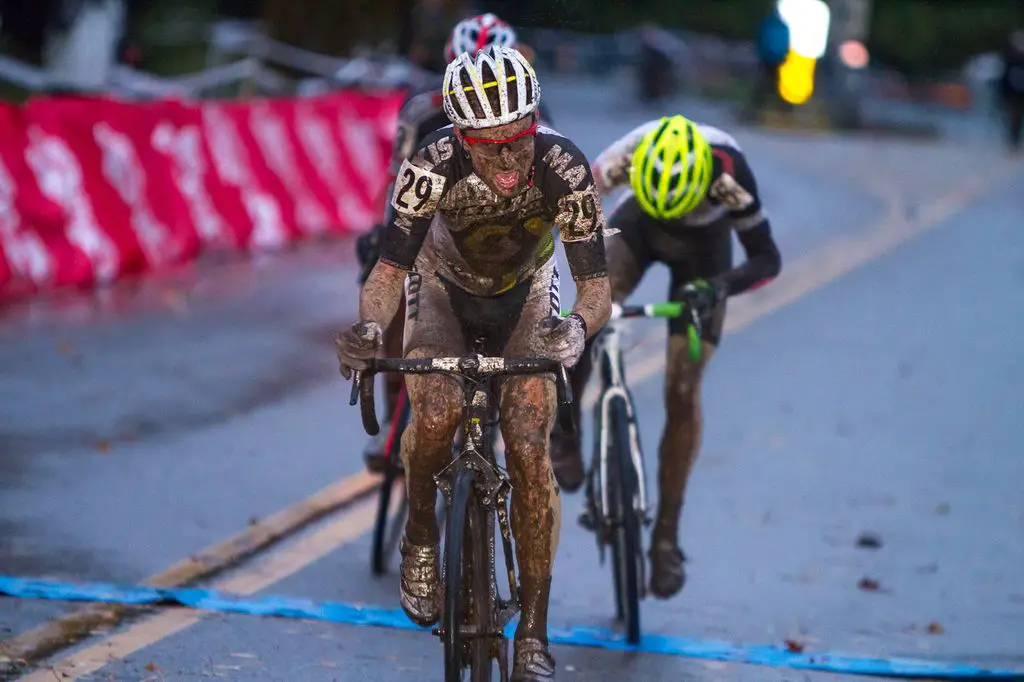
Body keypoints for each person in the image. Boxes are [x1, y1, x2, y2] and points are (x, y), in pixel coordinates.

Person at [336, 45, 612, 680]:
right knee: (433, 413)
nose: (509, 160)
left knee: (527, 438)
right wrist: (370, 326)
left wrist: (575, 328)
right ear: (460, 135)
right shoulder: (429, 164)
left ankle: (534, 633)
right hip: (440, 289)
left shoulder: (563, 165)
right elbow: (388, 272)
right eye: (489, 147)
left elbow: (594, 287)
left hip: (525, 294)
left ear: (534, 122)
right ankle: (420, 538)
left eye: (518, 141)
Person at [549, 114, 782, 599]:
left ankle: (666, 540)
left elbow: (767, 259)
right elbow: (565, 216)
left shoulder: (728, 171)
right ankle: (565, 434)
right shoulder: (623, 158)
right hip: (638, 227)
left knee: (682, 385)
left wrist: (719, 288)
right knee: (588, 316)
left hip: (707, 251)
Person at [357, 12, 555, 472]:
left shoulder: (534, 112)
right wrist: (382, 239)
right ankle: (393, 415)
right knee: (389, 279)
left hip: (503, 229)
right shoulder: (422, 110)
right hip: (433, 222)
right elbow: (395, 184)